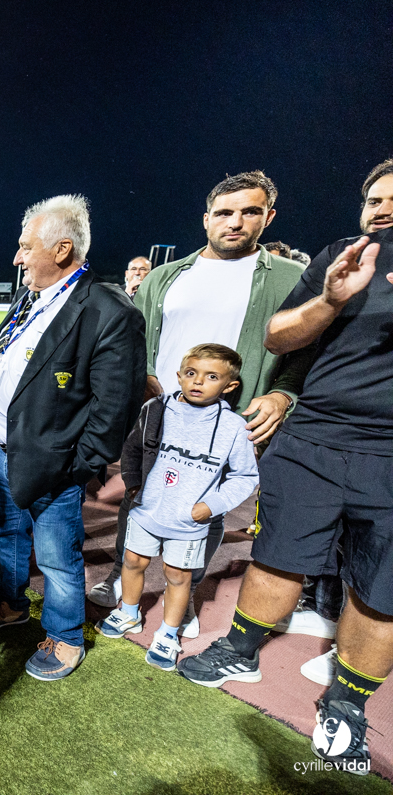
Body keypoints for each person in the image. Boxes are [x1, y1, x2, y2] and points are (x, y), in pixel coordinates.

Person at [176, 225, 392, 775]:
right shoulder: (347, 255)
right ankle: (240, 650)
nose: (382, 210)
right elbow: (278, 337)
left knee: (383, 588)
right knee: (276, 553)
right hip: (314, 435)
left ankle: (346, 704)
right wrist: (330, 298)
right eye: (373, 200)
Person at [88, 171, 311, 642]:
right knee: (139, 494)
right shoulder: (167, 276)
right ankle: (120, 577)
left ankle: (183, 595)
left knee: (202, 510)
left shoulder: (293, 279)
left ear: (268, 218)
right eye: (225, 213)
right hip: (160, 413)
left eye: (250, 212)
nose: (236, 222)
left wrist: (281, 395)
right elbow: (136, 341)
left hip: (225, 422)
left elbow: (309, 353)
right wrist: (146, 378)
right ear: (206, 218)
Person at [0, 194, 145, 682]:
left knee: (58, 555)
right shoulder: (34, 296)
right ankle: (11, 604)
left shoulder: (109, 310)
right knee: (7, 535)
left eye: (25, 247)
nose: (17, 257)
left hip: (53, 462)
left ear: (62, 250)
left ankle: (65, 636)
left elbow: (114, 408)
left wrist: (76, 465)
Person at [97, 344, 258, 672]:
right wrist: (132, 483)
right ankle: (128, 614)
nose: (198, 381)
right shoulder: (156, 409)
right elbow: (131, 449)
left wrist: (210, 506)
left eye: (211, 376)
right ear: (179, 376)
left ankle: (169, 634)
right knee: (132, 562)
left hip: (189, 522)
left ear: (229, 386)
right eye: (191, 373)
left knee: (178, 576)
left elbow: (244, 477)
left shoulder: (233, 428)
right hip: (145, 512)